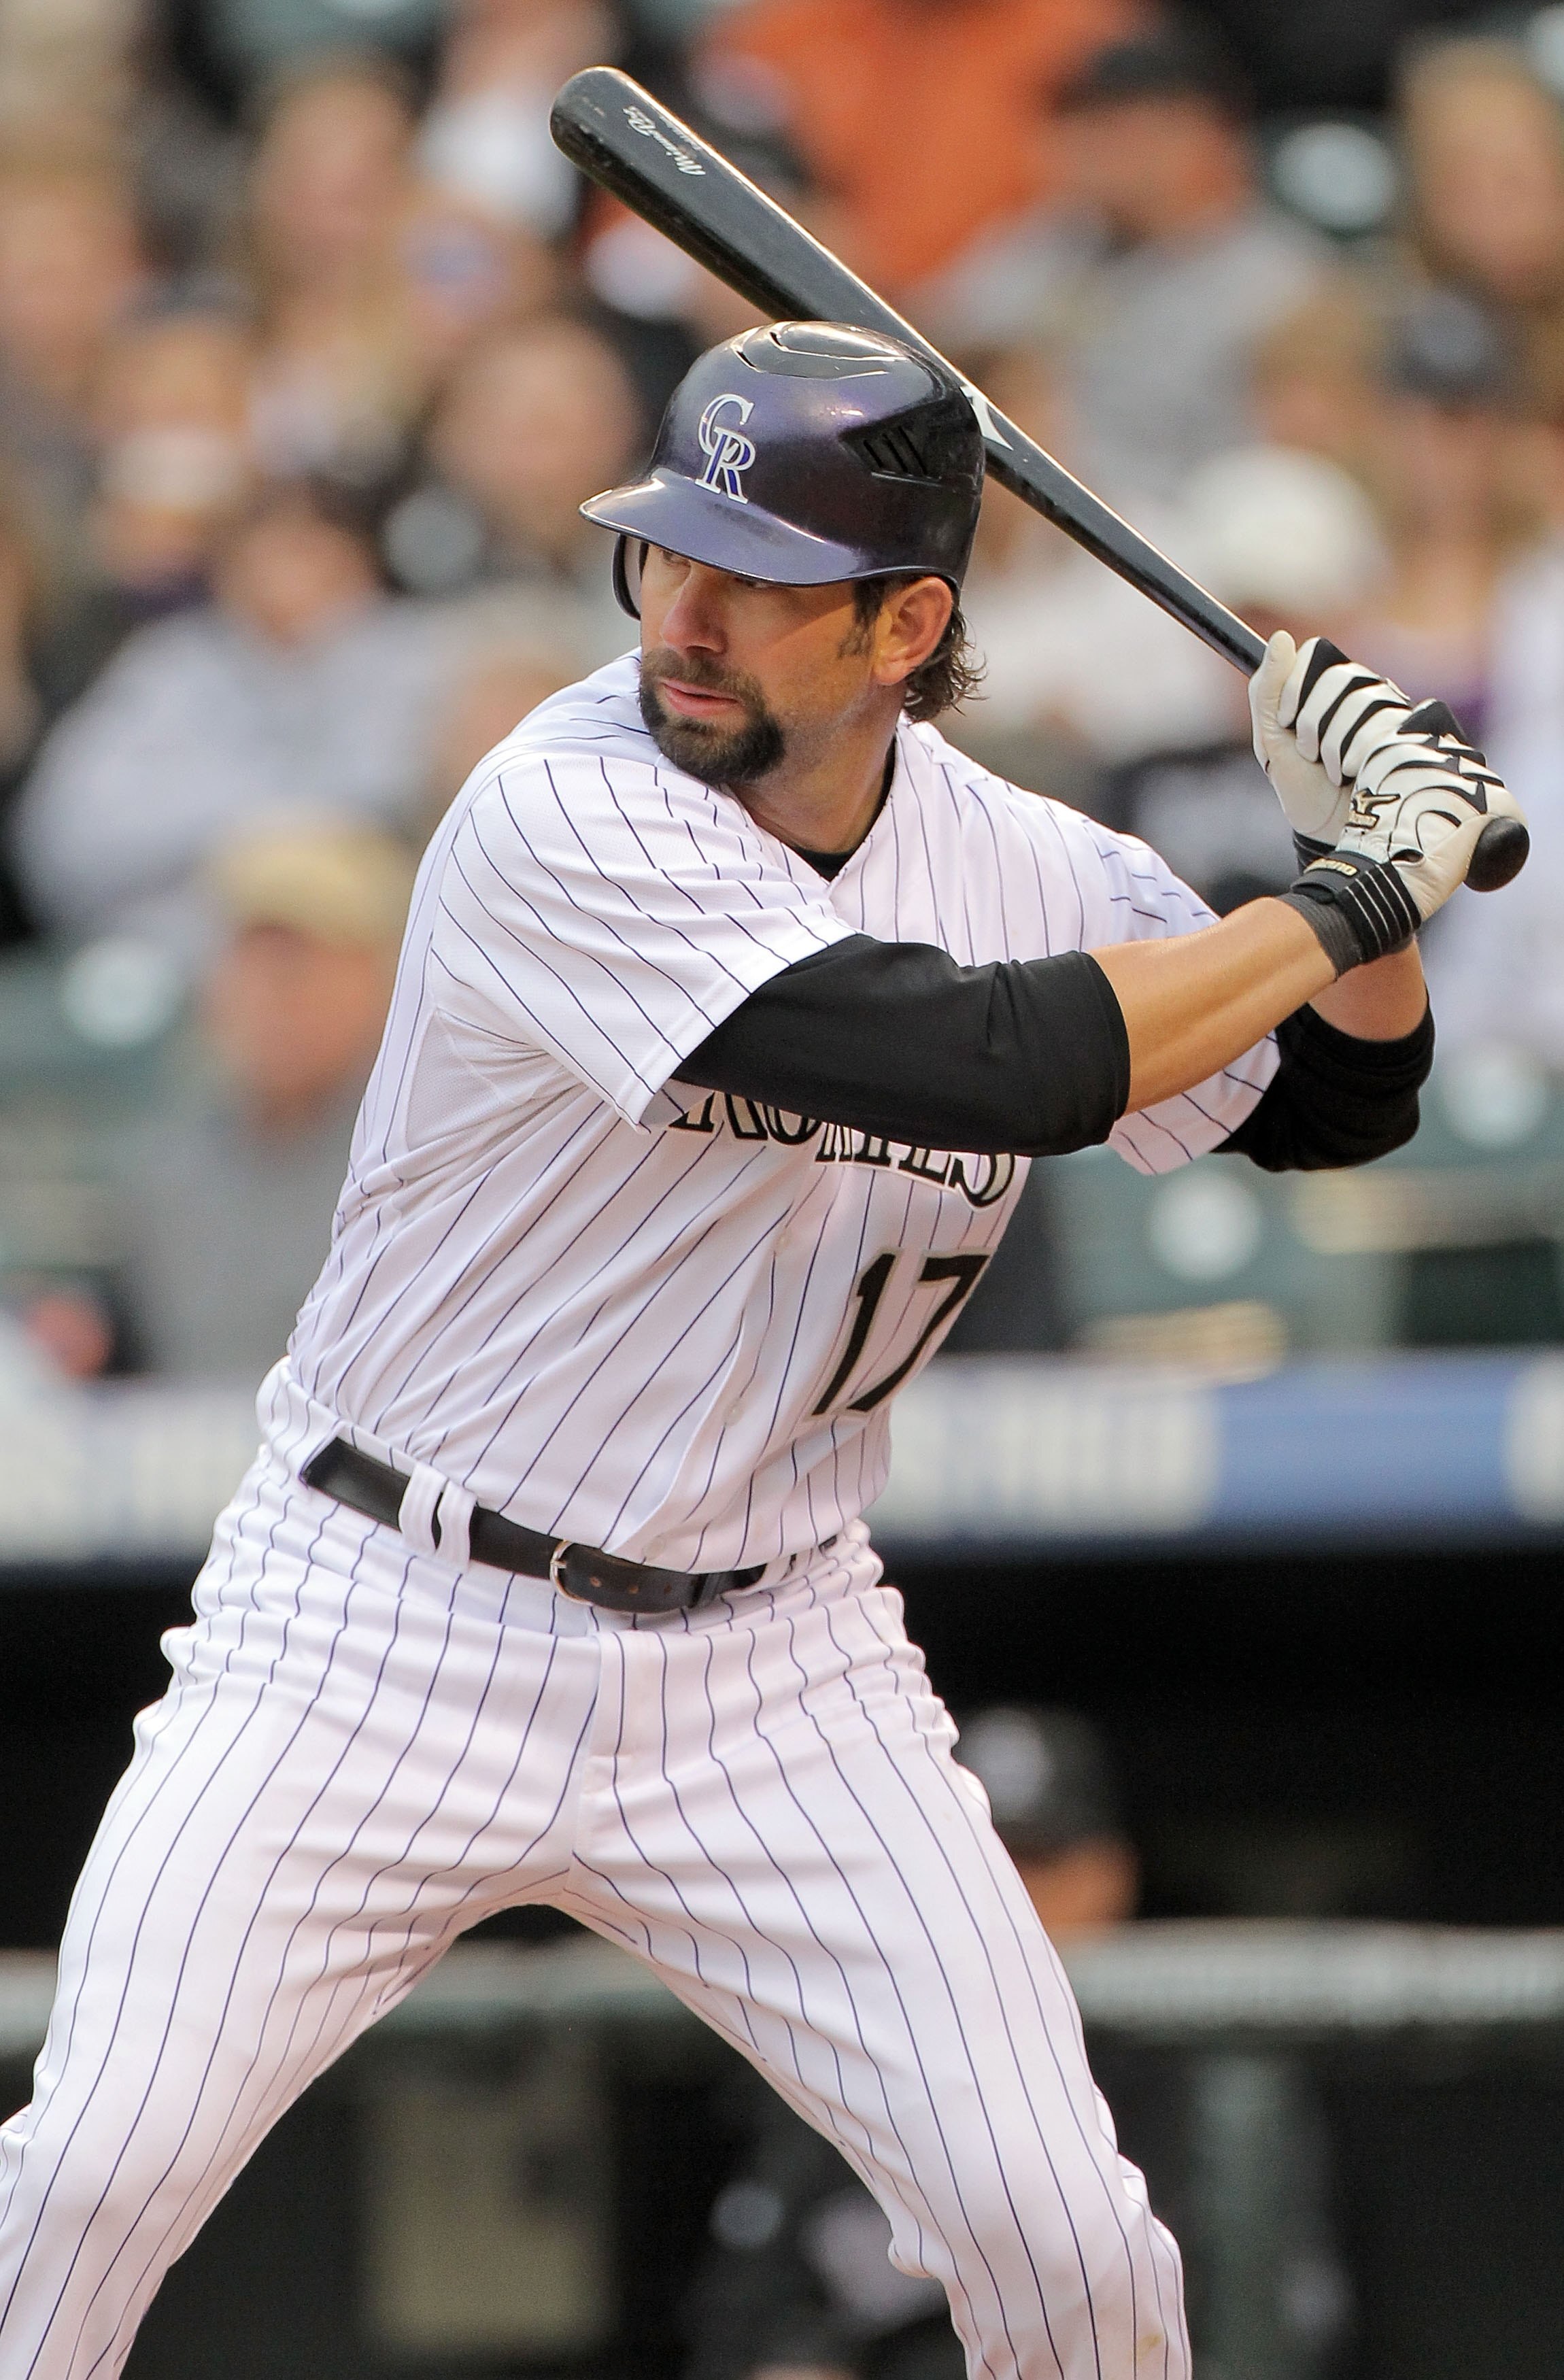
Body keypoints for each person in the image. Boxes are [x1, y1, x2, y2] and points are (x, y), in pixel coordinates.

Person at [0, 318, 1524, 2380]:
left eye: (757, 581)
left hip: (768, 1656)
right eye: (666, 555)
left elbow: (1334, 1106)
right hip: (376, 1613)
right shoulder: (562, 804)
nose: (684, 618)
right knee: (88, 2173)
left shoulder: (1024, 855)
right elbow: (983, 1057)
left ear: (907, 625)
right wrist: (1342, 887)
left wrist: (1381, 898)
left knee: (1068, 2236)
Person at [684, 1710, 1136, 2380]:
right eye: (981, 1861)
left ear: (1107, 1875)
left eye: (1035, 1860)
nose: (1004, 1893)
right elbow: (745, 2322)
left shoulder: (1191, 2069)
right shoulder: (847, 2055)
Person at [12, 479, 451, 953]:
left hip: (393, 956)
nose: (284, 572)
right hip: (183, 962)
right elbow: (65, 843)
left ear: (361, 561)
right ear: (224, 570)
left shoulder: (435, 659)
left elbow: (433, 805)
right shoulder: (167, 670)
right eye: (263, 550)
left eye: (306, 548)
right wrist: (259, 825)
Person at [919, 24, 1330, 513]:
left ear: (1209, 136)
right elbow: (931, 351)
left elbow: (1296, 471)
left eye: (1137, 130)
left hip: (1189, 540)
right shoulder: (1045, 247)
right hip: (1026, 528)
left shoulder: (1282, 283)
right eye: (1093, 127)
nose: (1111, 153)